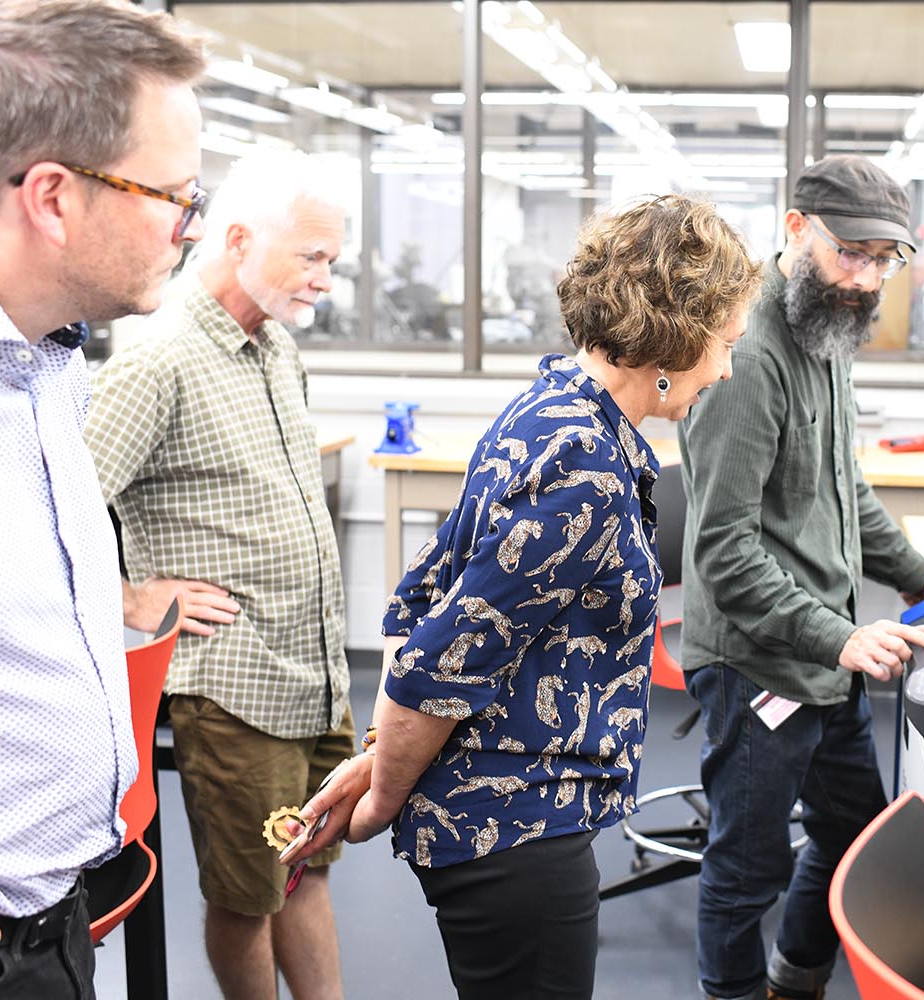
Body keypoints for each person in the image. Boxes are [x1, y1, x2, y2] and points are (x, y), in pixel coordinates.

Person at [281, 194, 762, 1000]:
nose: (727, 367)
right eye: (725, 343)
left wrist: (374, 764)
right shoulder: (583, 465)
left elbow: (434, 599)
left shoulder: (556, 408)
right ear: (677, 338)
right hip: (511, 828)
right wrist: (384, 792)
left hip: (518, 804)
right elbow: (438, 662)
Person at [0, 1, 206, 996]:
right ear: (52, 197)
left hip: (57, 924)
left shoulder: (45, 359)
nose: (189, 224)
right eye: (172, 193)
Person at [83, 150, 352, 1000]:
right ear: (237, 240)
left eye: (332, 262)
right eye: (310, 257)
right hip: (234, 690)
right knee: (248, 896)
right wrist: (134, 596)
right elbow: (67, 509)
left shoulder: (273, 349)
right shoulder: (156, 360)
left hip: (310, 672)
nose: (325, 279)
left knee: (304, 872)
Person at [677, 154, 924, 1000]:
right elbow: (725, 549)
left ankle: (797, 979)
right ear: (796, 230)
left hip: (830, 653)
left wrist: (917, 572)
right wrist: (844, 635)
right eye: (850, 253)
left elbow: (838, 487)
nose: (864, 279)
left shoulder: (826, 330)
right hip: (760, 664)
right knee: (744, 873)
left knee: (852, 830)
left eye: (882, 260)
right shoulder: (751, 354)